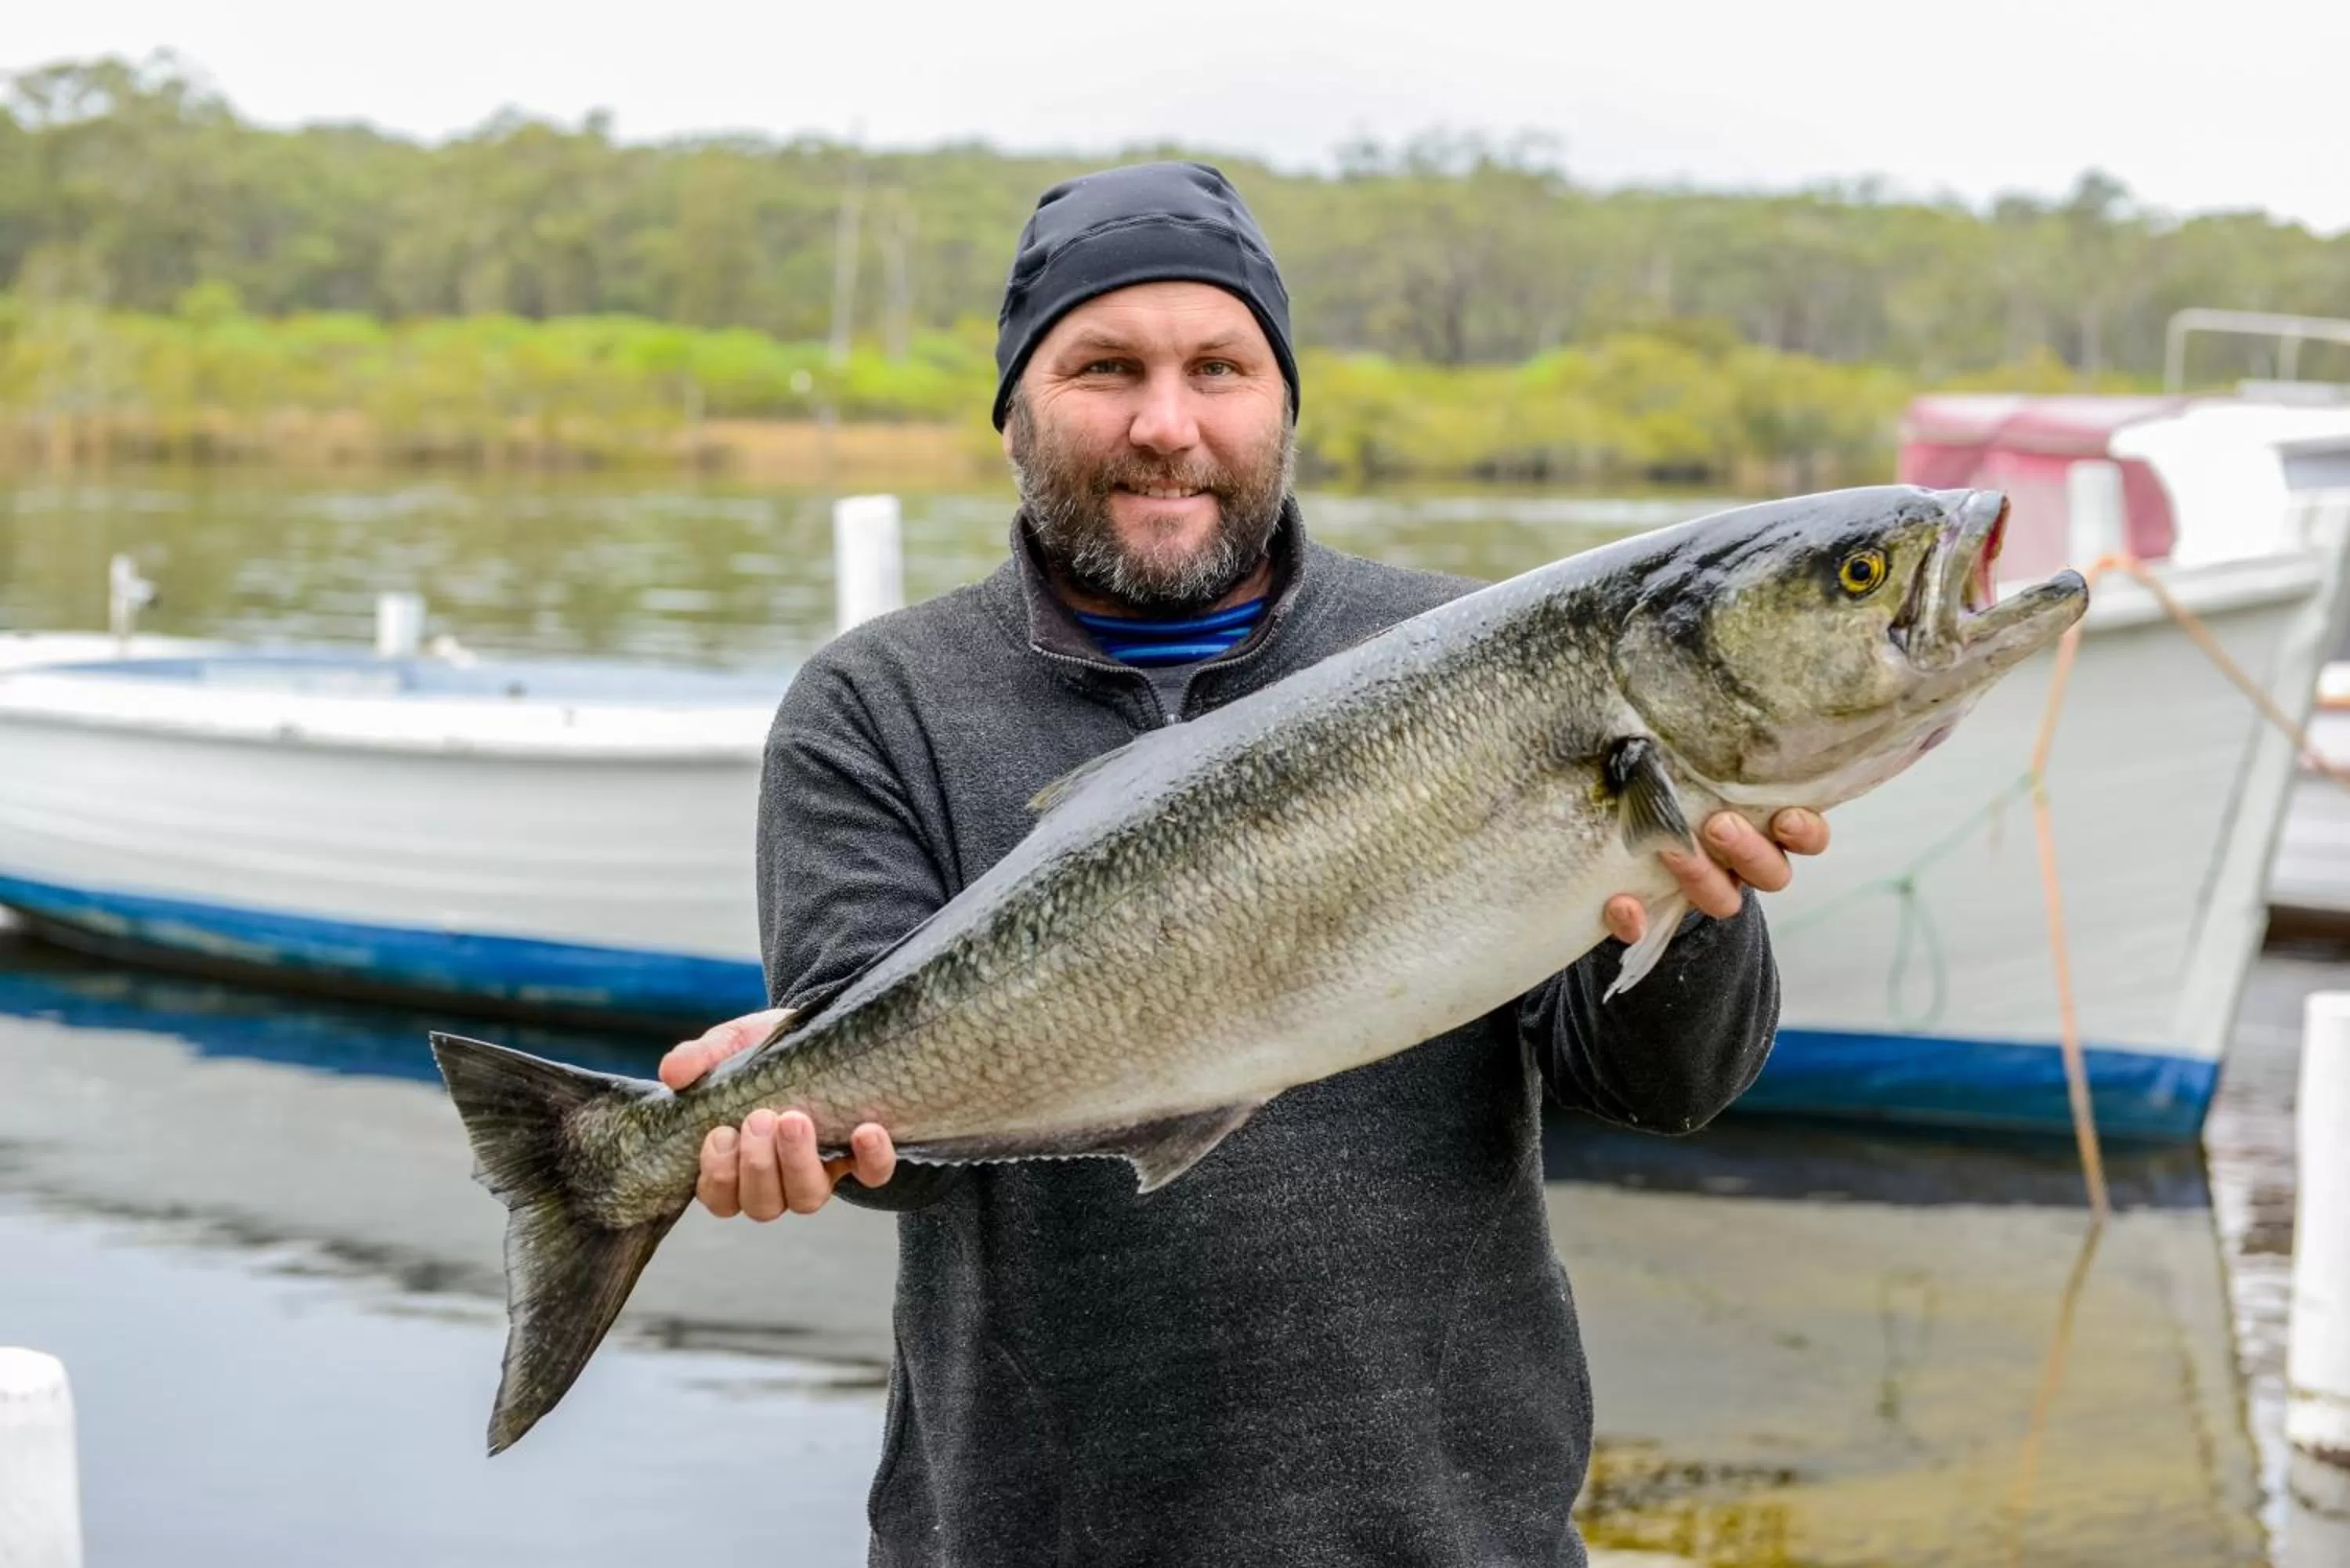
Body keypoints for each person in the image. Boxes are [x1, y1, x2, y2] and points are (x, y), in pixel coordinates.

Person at [660, 161, 1826, 1566]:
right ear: (1016, 408)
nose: (1168, 424)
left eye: (1219, 367)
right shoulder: (875, 703)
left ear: (1283, 401)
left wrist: (1701, 908)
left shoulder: (1477, 661)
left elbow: (1661, 1086)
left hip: (1449, 1536)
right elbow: (893, 1137)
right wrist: (803, 1119)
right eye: (1106, 367)